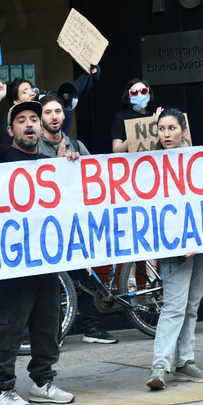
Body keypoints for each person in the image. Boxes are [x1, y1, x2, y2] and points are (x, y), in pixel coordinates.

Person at [0, 89, 78, 405]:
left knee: (48, 324)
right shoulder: (3, 157)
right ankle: (3, 388)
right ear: (11, 131)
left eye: (34, 119)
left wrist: (69, 165)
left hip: (45, 259)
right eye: (21, 120)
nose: (30, 125)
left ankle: (42, 381)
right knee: (9, 326)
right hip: (13, 261)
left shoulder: (49, 164)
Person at [38, 93, 118, 345]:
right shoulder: (34, 147)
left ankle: (92, 328)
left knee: (84, 274)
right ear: (41, 118)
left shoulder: (77, 145)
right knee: (53, 281)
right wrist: (56, 164)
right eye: (48, 112)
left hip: (74, 223)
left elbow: (93, 181)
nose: (54, 116)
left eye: (58, 111)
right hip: (47, 225)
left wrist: (76, 163)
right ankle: (54, 332)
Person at [146, 108, 203, 390]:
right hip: (173, 245)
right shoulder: (151, 164)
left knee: (191, 306)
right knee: (174, 306)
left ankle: (185, 362)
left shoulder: (199, 160)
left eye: (172, 128)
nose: (166, 134)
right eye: (161, 129)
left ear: (183, 131)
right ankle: (160, 366)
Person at [111, 78, 159, 153]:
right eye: (134, 92)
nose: (139, 94)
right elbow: (116, 149)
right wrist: (134, 136)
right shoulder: (121, 116)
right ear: (128, 96)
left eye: (143, 91)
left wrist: (159, 124)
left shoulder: (156, 114)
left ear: (148, 94)